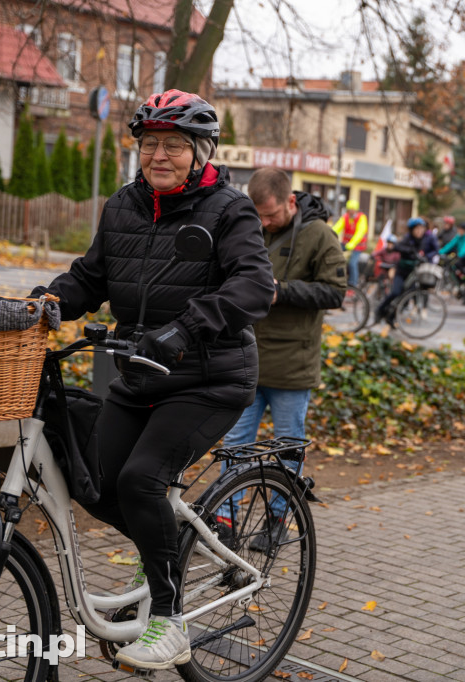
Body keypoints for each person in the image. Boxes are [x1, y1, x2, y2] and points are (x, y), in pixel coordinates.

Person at [30, 89, 275, 671]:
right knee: (97, 484)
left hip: (209, 378)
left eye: (173, 145)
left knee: (141, 480)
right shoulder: (123, 206)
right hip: (140, 376)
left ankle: (168, 622)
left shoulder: (228, 210)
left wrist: (189, 327)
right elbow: (90, 279)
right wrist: (47, 302)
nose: (158, 156)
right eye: (148, 145)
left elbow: (254, 286)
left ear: (200, 151)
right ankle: (163, 544)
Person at [216, 167, 346, 548]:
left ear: (291, 201)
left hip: (293, 365)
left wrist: (281, 291)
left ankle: (277, 520)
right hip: (248, 359)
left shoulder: (319, 234)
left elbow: (335, 292)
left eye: (271, 215)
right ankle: (226, 520)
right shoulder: (251, 228)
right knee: (237, 443)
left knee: (288, 446)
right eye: (258, 216)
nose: (264, 222)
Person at [372, 217, 439, 325]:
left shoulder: (423, 240)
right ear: (412, 230)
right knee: (395, 292)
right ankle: (379, 310)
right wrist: (410, 251)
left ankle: (392, 317)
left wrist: (424, 257)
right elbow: (397, 247)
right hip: (402, 271)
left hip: (413, 273)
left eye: (421, 229)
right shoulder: (407, 239)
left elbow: (431, 250)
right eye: (417, 229)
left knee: (407, 297)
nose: (419, 231)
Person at [439, 222, 465, 305]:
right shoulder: (459, 236)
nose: (458, 231)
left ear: (464, 230)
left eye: (460, 229)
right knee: (454, 266)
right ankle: (462, 281)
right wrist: (440, 252)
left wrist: (459, 254)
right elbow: (450, 245)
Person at [332, 198, 368, 286]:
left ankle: (353, 284)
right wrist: (329, 234)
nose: (350, 212)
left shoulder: (361, 218)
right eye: (349, 210)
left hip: (358, 246)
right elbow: (337, 227)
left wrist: (353, 243)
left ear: (355, 210)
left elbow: (360, 232)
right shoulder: (345, 217)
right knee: (332, 253)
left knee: (352, 263)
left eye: (352, 210)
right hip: (346, 244)